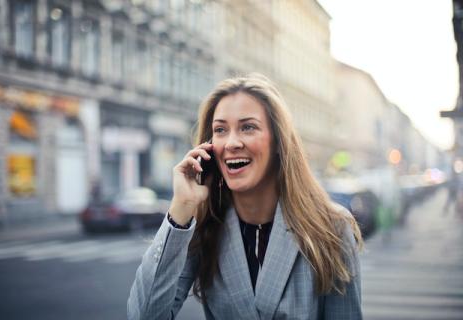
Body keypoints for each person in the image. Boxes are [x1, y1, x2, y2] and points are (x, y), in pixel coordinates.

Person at [127, 74, 363, 319]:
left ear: (278, 141)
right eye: (220, 130)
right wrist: (181, 209)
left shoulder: (331, 227)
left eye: (248, 127)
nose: (231, 142)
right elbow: (144, 315)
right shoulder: (205, 227)